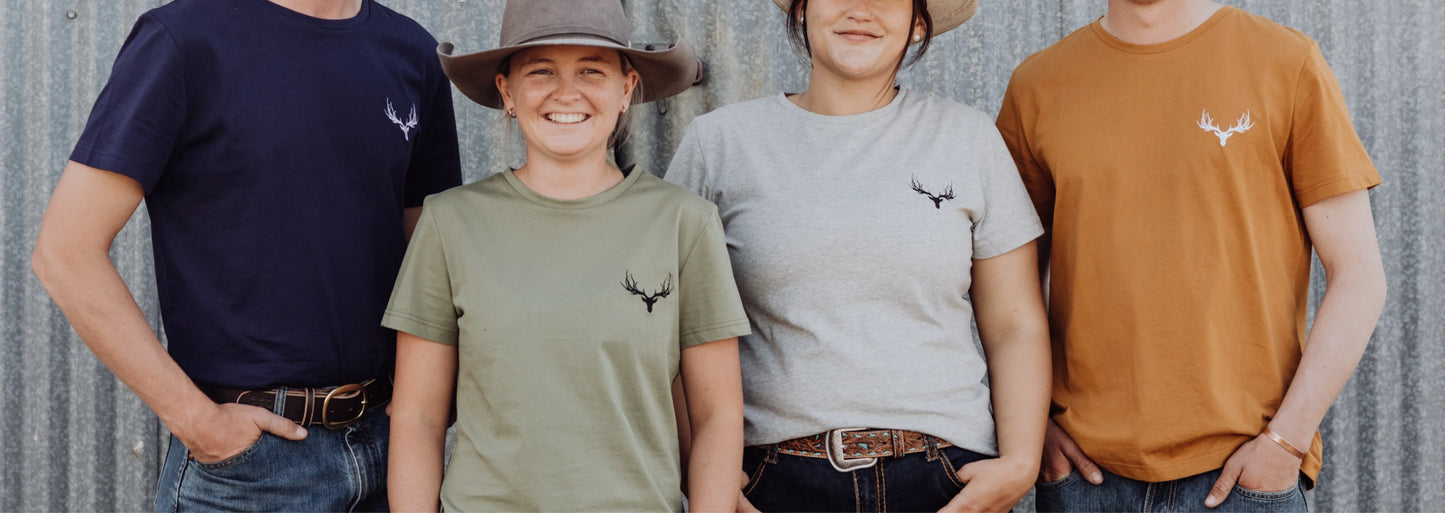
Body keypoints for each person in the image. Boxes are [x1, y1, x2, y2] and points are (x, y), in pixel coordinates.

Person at [30, 0, 461, 510]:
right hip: (249, 473)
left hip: (390, 453)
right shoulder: (184, 38)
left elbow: (428, 264)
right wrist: (199, 422)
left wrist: (425, 412)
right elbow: (65, 252)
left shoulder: (410, 50)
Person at [995, 0, 1387, 510]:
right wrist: (1032, 429)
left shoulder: (1286, 62)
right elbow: (1004, 290)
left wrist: (1285, 442)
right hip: (1083, 480)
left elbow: (1358, 275)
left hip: (1245, 476)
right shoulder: (1038, 84)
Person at [664, 0, 1052, 511]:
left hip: (942, 478)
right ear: (802, 11)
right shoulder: (718, 143)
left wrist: (1020, 465)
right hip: (771, 482)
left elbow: (1015, 324)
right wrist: (707, 474)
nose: (860, 10)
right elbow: (668, 326)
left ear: (917, 23)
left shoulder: (967, 137)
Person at [381, 1, 748, 511]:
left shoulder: (684, 222)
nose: (566, 92)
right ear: (508, 91)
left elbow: (717, 418)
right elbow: (418, 416)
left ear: (626, 89)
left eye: (591, 70)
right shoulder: (450, 222)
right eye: (541, 71)